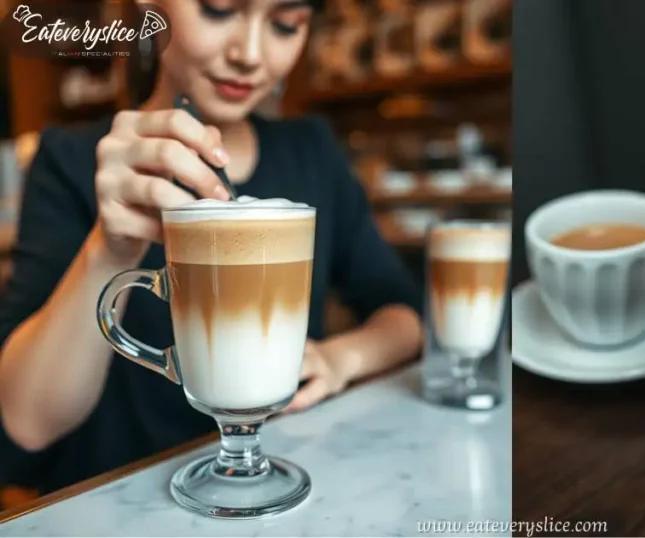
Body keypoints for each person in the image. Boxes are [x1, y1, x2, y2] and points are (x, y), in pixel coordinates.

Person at [0, 0, 424, 496]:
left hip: (278, 492)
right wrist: (109, 250)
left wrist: (339, 359)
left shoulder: (311, 150)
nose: (249, 53)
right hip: (121, 503)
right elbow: (25, 421)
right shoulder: (71, 161)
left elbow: (405, 315)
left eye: (286, 24)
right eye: (219, 10)